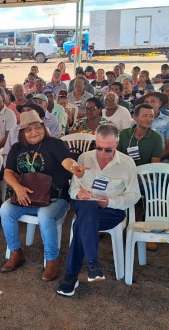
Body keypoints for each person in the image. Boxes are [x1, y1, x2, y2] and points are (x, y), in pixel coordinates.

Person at [0, 110, 86, 281]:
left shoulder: (54, 144)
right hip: (26, 198)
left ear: (44, 127)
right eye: (29, 130)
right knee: (5, 209)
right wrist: (17, 188)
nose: (34, 132)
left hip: (55, 198)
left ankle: (52, 259)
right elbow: (8, 172)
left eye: (37, 127)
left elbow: (67, 161)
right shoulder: (17, 148)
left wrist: (74, 168)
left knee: (45, 215)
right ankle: (15, 253)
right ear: (22, 133)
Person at [57, 124, 140, 296]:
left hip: (111, 211)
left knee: (81, 225)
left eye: (108, 150)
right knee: (87, 208)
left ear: (116, 144)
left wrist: (111, 201)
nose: (102, 154)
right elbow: (72, 189)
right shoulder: (84, 158)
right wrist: (80, 193)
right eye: (99, 148)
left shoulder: (126, 163)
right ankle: (92, 263)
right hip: (86, 206)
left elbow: (134, 196)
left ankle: (71, 276)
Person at [135, 92, 169, 162]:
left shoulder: (168, 122)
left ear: (160, 104)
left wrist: (155, 158)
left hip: (162, 159)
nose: (149, 104)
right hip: (139, 159)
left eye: (153, 101)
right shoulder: (136, 121)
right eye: (146, 102)